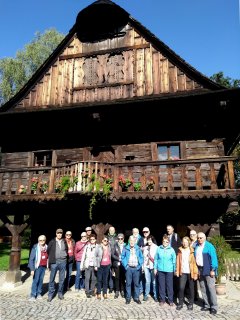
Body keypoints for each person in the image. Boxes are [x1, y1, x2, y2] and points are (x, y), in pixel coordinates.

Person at [194, 232, 218, 315]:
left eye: (201, 238)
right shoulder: (196, 246)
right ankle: (207, 304)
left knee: (211, 288)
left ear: (204, 238)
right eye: (198, 238)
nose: (199, 239)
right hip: (200, 269)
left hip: (208, 269)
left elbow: (214, 258)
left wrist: (213, 269)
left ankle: (214, 307)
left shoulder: (209, 246)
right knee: (203, 287)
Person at [175, 236, 198, 311]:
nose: (184, 243)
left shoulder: (192, 251)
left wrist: (195, 273)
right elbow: (178, 262)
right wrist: (177, 271)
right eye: (183, 242)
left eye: (186, 242)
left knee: (191, 288)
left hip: (190, 272)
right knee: (181, 288)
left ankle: (190, 304)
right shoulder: (180, 250)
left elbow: (194, 263)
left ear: (189, 242)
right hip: (183, 272)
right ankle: (180, 303)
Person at [154, 235, 176, 307]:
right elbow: (156, 259)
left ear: (169, 242)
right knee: (161, 286)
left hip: (169, 270)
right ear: (162, 241)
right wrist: (155, 268)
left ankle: (170, 300)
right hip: (160, 270)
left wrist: (174, 269)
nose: (165, 243)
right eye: (164, 241)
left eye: (167, 241)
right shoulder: (159, 248)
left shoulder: (171, 250)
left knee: (169, 286)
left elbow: (174, 261)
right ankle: (162, 300)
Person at [47, 228, 68, 302]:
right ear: (56, 234)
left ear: (62, 234)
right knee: (52, 279)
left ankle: (60, 293)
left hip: (63, 261)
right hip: (54, 262)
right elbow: (48, 251)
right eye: (58, 233)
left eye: (60, 233)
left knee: (62, 279)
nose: (59, 234)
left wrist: (65, 256)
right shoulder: (52, 242)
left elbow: (66, 249)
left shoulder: (64, 241)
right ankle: (50, 294)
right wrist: (51, 261)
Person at [121, 236, 143, 304]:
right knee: (128, 284)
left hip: (136, 268)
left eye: (133, 241)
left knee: (136, 284)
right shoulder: (125, 248)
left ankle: (136, 298)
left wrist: (139, 266)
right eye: (130, 240)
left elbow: (141, 257)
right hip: (129, 268)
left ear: (135, 241)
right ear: (129, 241)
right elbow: (122, 257)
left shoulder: (138, 248)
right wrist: (126, 266)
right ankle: (128, 298)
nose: (132, 242)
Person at [28, 235, 48, 300]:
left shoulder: (47, 247)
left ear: (45, 240)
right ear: (38, 240)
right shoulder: (35, 247)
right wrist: (32, 269)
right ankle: (33, 295)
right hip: (37, 267)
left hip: (43, 266)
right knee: (35, 281)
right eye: (40, 240)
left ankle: (39, 293)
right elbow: (31, 259)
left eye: (43, 240)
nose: (42, 241)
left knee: (41, 280)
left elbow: (48, 257)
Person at [81, 233, 98, 298]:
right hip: (87, 265)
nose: (92, 240)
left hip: (94, 265)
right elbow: (83, 256)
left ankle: (92, 290)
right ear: (89, 240)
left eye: (93, 239)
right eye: (91, 239)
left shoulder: (97, 247)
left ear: (95, 240)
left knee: (94, 279)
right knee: (87, 278)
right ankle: (87, 291)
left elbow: (99, 257)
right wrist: (82, 265)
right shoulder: (87, 246)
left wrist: (97, 265)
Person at [143, 235, 158, 302]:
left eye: (150, 240)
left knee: (154, 282)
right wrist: (143, 267)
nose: (149, 241)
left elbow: (157, 259)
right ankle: (146, 295)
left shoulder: (156, 247)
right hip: (146, 266)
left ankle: (155, 296)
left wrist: (156, 267)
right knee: (147, 281)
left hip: (153, 266)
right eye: (148, 240)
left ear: (152, 240)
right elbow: (144, 258)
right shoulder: (145, 247)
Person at [111, 233, 126, 298]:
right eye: (119, 238)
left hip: (124, 264)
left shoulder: (126, 246)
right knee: (117, 278)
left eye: (121, 238)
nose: (120, 240)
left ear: (123, 239)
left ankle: (122, 290)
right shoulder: (115, 245)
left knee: (123, 278)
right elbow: (112, 254)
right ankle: (117, 291)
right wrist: (118, 258)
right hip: (117, 263)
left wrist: (123, 259)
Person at [107, 226, 117, 293]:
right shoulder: (106, 238)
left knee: (116, 272)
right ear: (109, 230)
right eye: (110, 230)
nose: (112, 231)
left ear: (114, 230)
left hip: (116, 257)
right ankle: (111, 287)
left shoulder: (117, 237)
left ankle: (117, 287)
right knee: (109, 273)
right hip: (109, 257)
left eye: (113, 230)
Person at [189, 229, 199, 300]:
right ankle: (193, 294)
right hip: (190, 263)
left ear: (196, 235)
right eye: (191, 234)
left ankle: (196, 295)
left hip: (195, 263)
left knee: (195, 279)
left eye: (193, 234)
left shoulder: (197, 243)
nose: (192, 235)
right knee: (192, 279)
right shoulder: (190, 242)